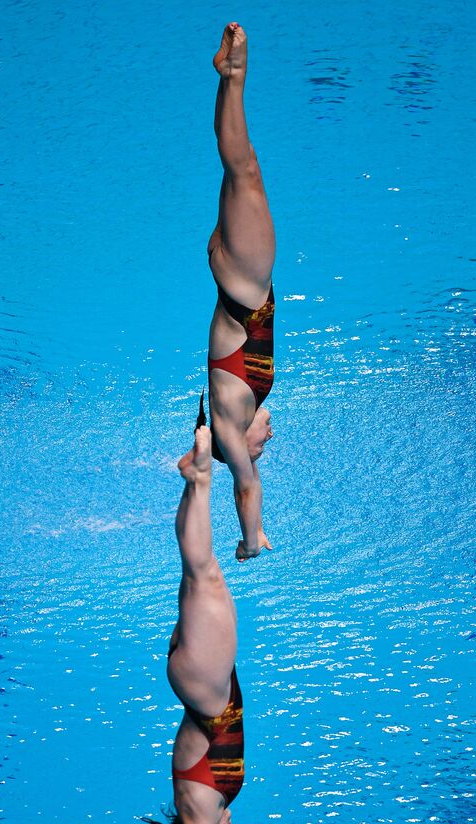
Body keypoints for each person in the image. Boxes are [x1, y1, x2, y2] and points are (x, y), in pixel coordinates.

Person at [142, 425, 243, 824]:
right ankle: (195, 480)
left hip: (206, 690)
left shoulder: (199, 820)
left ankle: (200, 479)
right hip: (207, 686)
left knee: (203, 574)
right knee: (203, 575)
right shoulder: (205, 810)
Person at [207, 23, 276, 563]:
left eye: (259, 450)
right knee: (240, 173)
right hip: (241, 281)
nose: (268, 442)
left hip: (245, 285)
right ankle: (228, 79)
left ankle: (235, 77)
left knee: (244, 169)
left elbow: (246, 487)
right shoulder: (247, 406)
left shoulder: (232, 428)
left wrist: (251, 542)